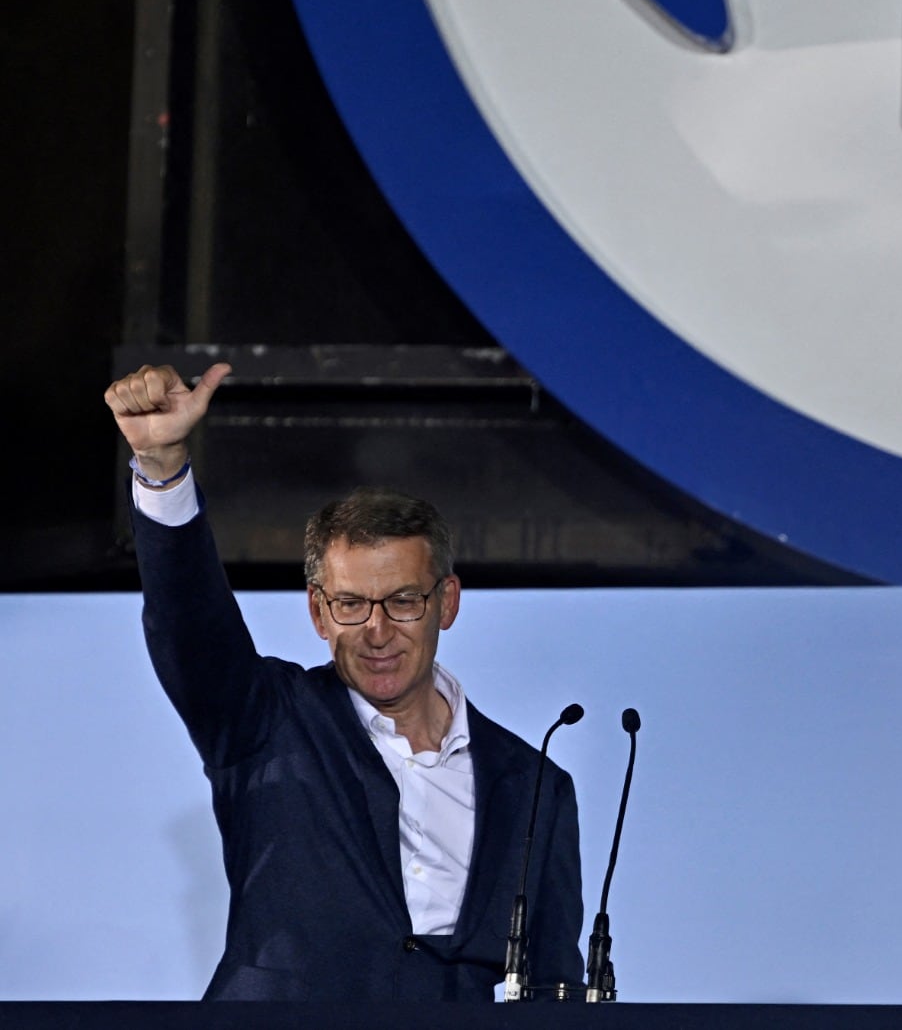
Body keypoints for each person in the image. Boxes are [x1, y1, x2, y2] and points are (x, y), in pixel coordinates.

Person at [104, 361, 584, 1001]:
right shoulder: (267, 722)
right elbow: (190, 625)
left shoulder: (535, 784)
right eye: (351, 604)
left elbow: (554, 984)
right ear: (318, 611)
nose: (377, 631)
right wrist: (162, 467)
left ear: (447, 602)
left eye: (403, 602)